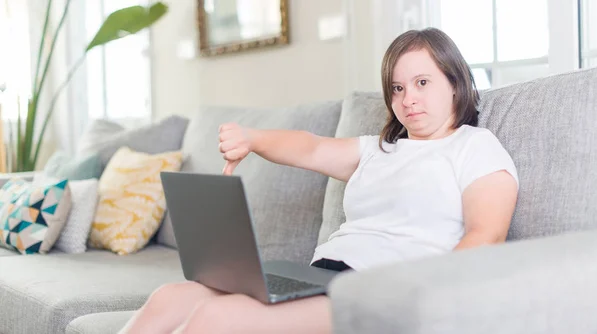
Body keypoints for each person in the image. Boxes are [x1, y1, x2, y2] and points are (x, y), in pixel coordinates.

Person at [119, 27, 519, 334]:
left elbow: (486, 235)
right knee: (168, 299)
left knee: (219, 316)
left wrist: (426, 300)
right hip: (317, 277)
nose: (407, 98)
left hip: (376, 292)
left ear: (455, 82)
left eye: (422, 83)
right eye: (397, 88)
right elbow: (310, 148)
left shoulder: (474, 146)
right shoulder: (379, 149)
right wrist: (253, 139)